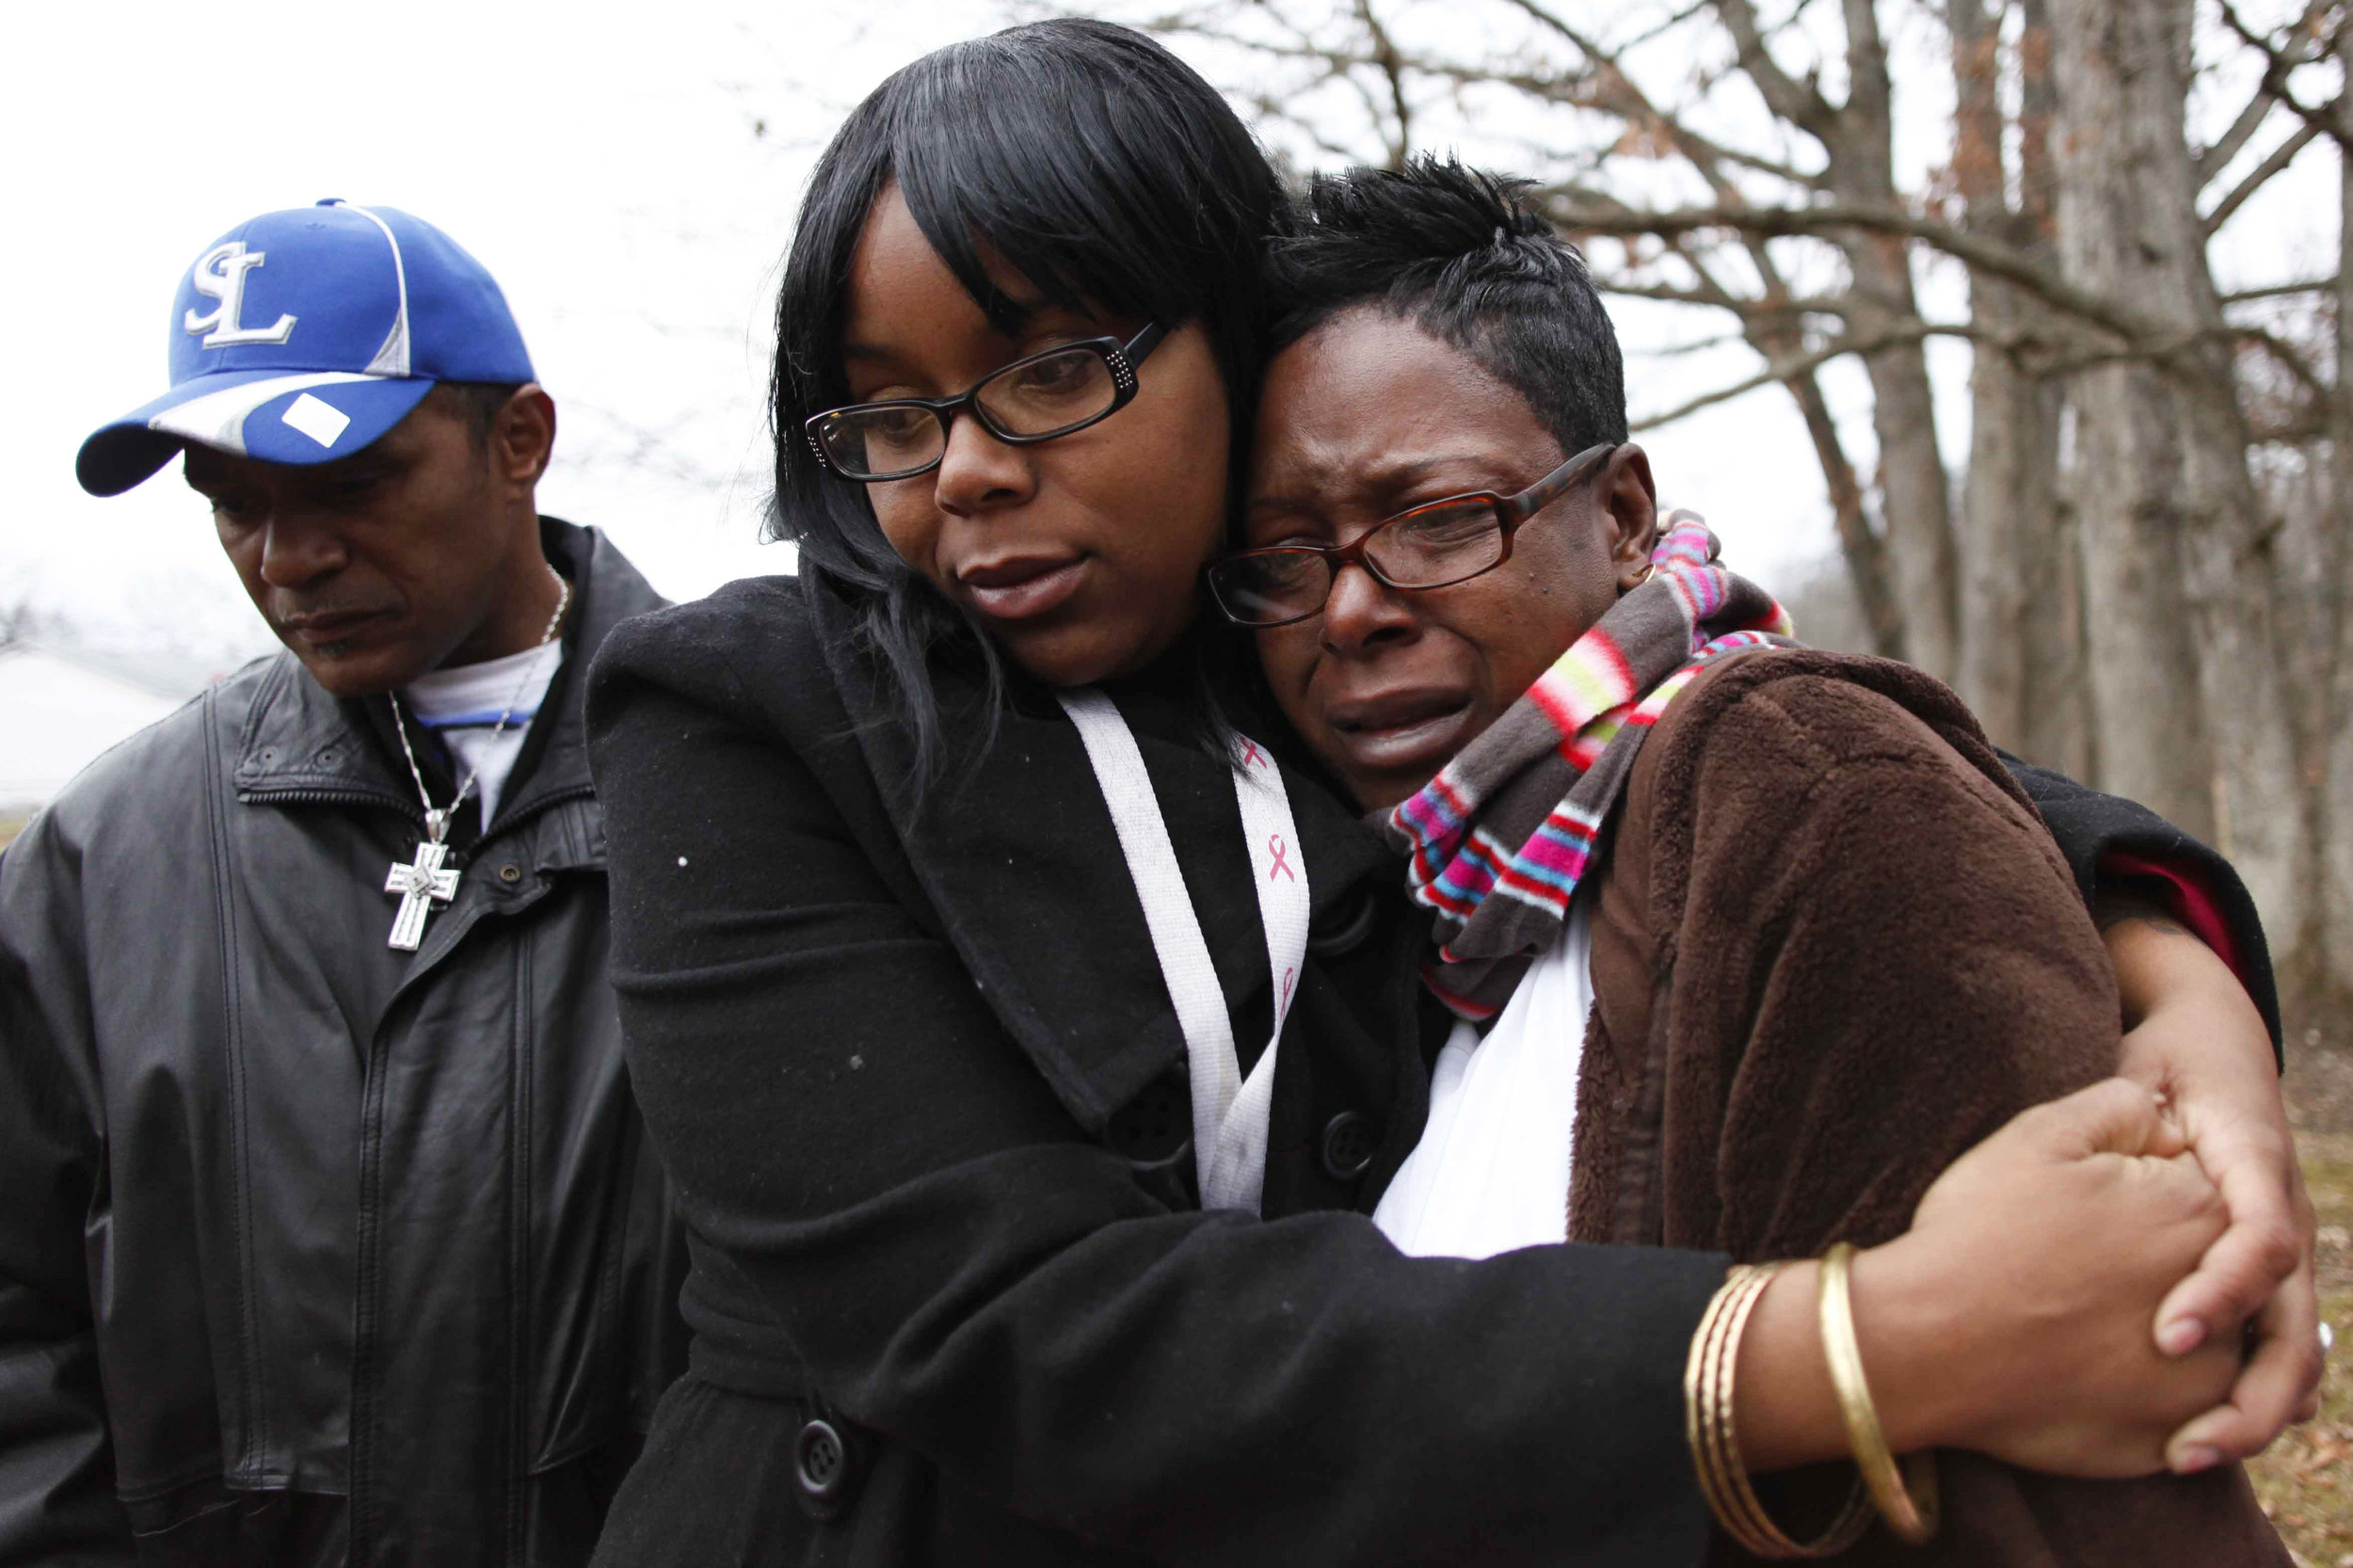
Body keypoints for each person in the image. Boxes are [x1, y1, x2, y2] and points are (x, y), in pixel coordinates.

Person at [582, 22, 2311, 1565]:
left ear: (1235, 355)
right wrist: (1863, 1339)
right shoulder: (745, 719)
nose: (964, 465)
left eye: (1051, 368)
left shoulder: (1290, 654)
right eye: (886, 412)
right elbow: (1021, 1319)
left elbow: (1764, 745)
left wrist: (2175, 966)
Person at [1225, 156, 2290, 1559]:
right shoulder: (1418, 906)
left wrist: (2181, 970)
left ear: (1615, 518)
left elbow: (2070, 1479)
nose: (1349, 608)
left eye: (1438, 521)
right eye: (1285, 558)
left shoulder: (1793, 795)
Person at [0, 200, 686, 1563]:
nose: (287, 557)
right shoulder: (103, 858)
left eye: (348, 482)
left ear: (520, 441)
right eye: (233, 502)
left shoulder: (754, 793)